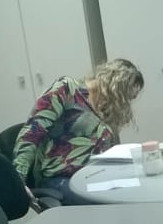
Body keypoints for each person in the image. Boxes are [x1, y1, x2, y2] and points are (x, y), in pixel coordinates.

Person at [12, 58, 144, 205]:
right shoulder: (67, 89)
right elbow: (31, 133)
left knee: (134, 193)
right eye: (125, 98)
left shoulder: (104, 108)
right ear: (115, 88)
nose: (125, 104)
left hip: (91, 177)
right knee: (109, 203)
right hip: (57, 179)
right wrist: (18, 180)